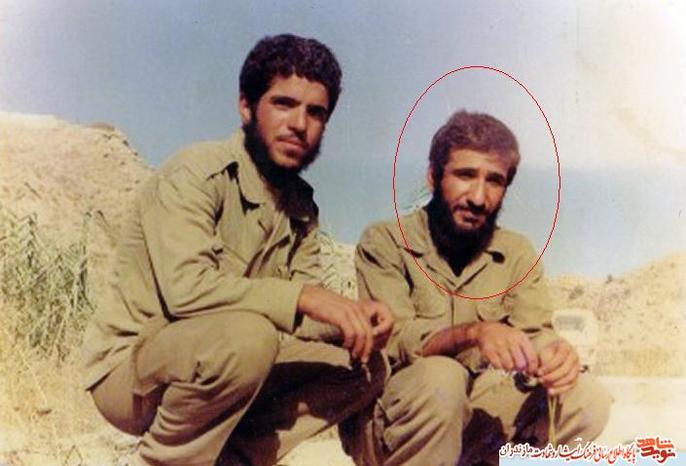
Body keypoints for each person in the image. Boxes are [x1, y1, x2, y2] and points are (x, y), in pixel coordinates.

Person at [81, 34, 393, 466]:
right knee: (248, 339)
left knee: (366, 366)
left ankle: (231, 460)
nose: (299, 124)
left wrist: (353, 319)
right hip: (132, 373)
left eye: (315, 112)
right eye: (283, 104)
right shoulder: (196, 173)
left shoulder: (300, 206)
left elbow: (302, 315)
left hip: (228, 360)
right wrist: (306, 297)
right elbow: (187, 290)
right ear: (246, 107)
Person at [351, 111, 611, 465]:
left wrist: (555, 354)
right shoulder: (385, 241)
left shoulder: (516, 253)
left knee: (587, 399)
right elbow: (394, 341)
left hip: (474, 420)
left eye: (494, 181)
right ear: (433, 177)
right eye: (465, 175)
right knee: (442, 378)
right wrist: (473, 333)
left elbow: (534, 333)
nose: (478, 196)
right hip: (398, 420)